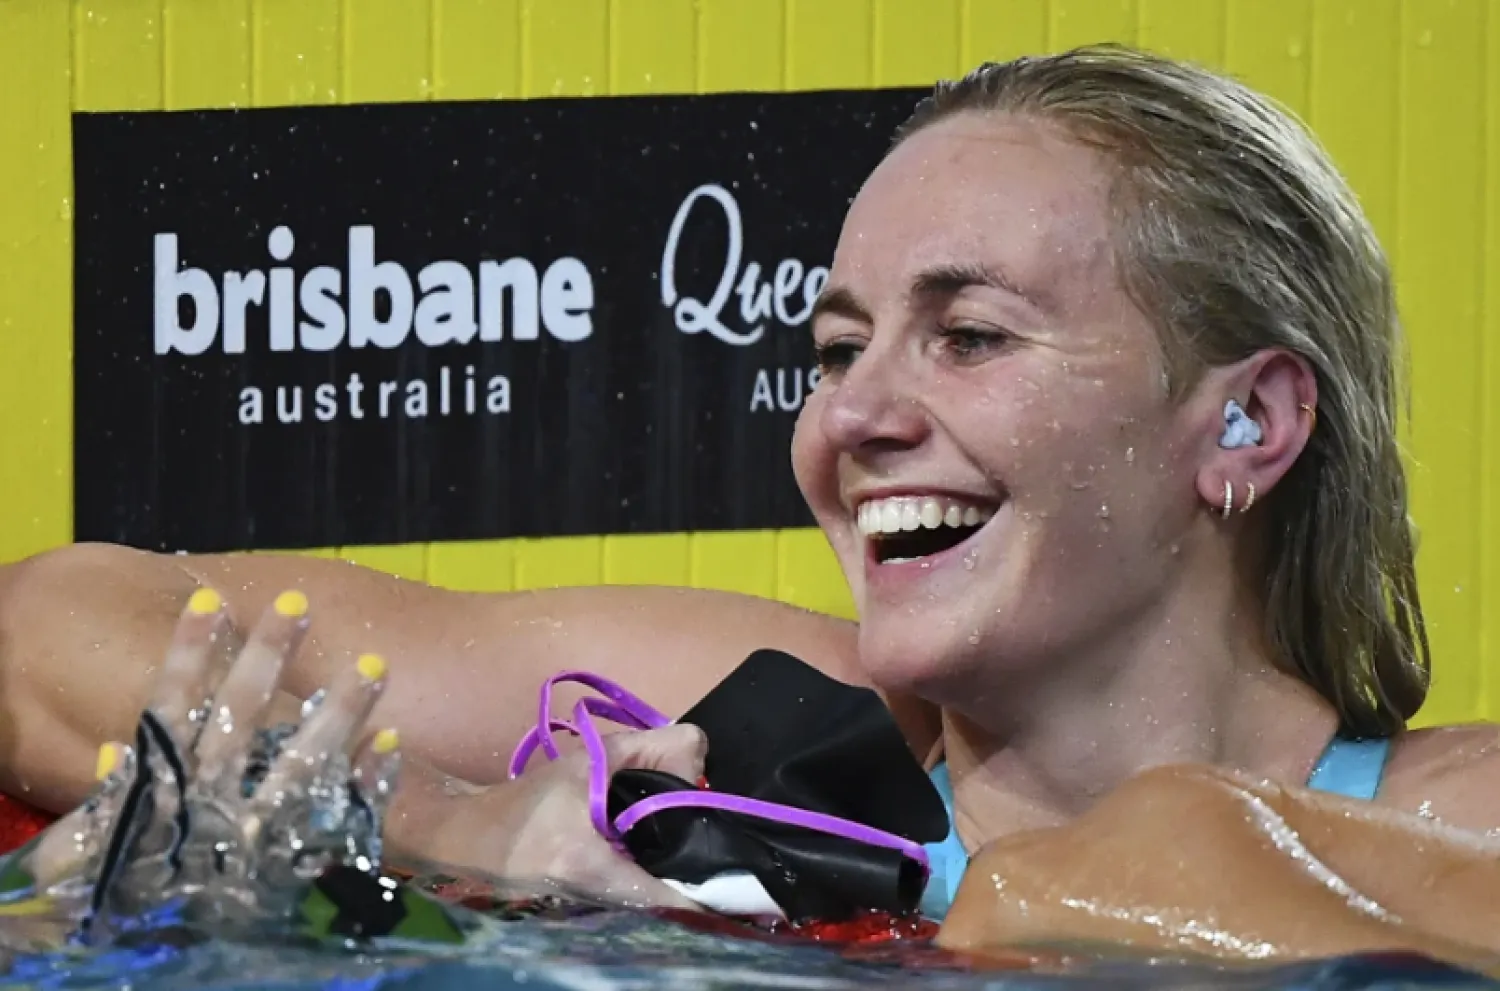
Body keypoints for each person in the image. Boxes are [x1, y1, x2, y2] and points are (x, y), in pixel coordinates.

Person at [2, 43, 1499, 961]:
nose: (854, 416)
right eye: (839, 348)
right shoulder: (731, 729)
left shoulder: (1454, 814)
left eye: (968, 335)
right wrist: (449, 820)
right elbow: (49, 631)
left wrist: (1093, 879)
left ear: (1247, 417)